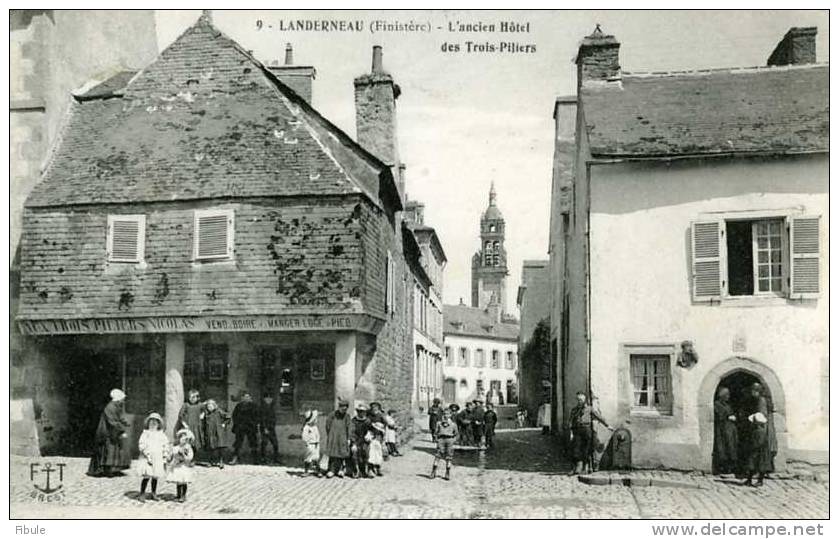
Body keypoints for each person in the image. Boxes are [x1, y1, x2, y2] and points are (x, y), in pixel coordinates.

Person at [87, 389, 132, 477]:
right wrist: (121, 431)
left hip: (113, 432)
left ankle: (115, 469)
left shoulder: (116, 406)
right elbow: (112, 422)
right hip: (107, 432)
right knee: (109, 451)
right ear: (118, 399)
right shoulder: (110, 407)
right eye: (122, 399)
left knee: (116, 450)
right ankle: (106, 470)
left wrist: (125, 422)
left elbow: (119, 417)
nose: (123, 401)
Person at [568, 391, 612, 475]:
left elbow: (599, 417)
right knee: (576, 448)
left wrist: (607, 425)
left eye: (581, 399)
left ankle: (586, 467)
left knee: (587, 449)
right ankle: (577, 467)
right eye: (578, 399)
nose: (579, 401)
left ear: (584, 400)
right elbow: (570, 422)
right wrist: (571, 433)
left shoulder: (589, 409)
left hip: (587, 429)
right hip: (577, 430)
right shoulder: (574, 410)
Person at [743, 383, 776, 487]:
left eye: (753, 391)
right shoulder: (761, 400)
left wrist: (752, 420)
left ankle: (757, 480)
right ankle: (751, 479)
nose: (752, 393)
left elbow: (761, 416)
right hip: (761, 431)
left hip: (760, 431)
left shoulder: (761, 401)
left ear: (757, 391)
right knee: (756, 457)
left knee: (757, 456)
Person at [136, 412, 170, 502]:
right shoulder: (145, 434)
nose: (153, 423)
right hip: (148, 457)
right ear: (148, 423)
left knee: (155, 476)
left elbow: (165, 444)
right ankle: (142, 493)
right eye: (151, 421)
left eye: (156, 422)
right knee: (147, 475)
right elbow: (141, 444)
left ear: (159, 424)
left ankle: (153, 493)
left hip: (158, 457)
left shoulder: (161, 434)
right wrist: (146, 453)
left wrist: (165, 455)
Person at [712, 386, 738, 475]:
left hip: (730, 429)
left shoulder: (727, 405)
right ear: (722, 395)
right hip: (723, 429)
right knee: (723, 447)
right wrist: (728, 417)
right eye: (726, 394)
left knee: (732, 447)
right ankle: (723, 468)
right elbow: (720, 415)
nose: (728, 396)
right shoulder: (717, 404)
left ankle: (730, 467)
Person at [324, 399, 352, 478]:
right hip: (333, 437)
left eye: (345, 408)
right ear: (339, 407)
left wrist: (349, 438)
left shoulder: (347, 416)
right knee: (333, 454)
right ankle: (331, 470)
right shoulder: (332, 415)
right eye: (342, 407)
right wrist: (331, 435)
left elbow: (349, 427)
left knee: (341, 454)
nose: (343, 409)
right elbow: (328, 426)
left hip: (343, 437)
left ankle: (340, 470)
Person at [167, 428, 195, 503]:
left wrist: (184, 455)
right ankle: (178, 494)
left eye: (184, 438)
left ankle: (183, 495)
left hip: (184, 466)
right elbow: (171, 456)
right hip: (177, 466)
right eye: (181, 438)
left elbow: (190, 457)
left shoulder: (188, 448)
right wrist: (169, 457)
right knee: (178, 481)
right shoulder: (176, 448)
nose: (182, 440)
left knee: (184, 481)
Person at [175, 389, 204, 461]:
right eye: (191, 397)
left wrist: (202, 414)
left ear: (197, 397)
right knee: (188, 442)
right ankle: (188, 458)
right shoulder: (186, 405)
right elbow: (181, 415)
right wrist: (184, 424)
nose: (193, 399)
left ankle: (195, 458)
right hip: (189, 426)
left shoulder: (200, 405)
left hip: (197, 426)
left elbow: (204, 411)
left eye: (194, 397)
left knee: (196, 442)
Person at [230, 392, 259, 465]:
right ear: (242, 398)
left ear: (250, 398)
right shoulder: (239, 406)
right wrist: (237, 424)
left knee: (253, 443)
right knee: (238, 443)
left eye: (248, 397)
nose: (246, 398)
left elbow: (258, 416)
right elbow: (234, 416)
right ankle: (235, 458)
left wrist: (254, 423)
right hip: (240, 427)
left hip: (251, 427)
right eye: (244, 397)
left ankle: (255, 459)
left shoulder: (254, 406)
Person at [430, 408, 459, 481]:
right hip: (441, 439)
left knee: (449, 457)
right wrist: (437, 439)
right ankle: (433, 471)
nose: (446, 416)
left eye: (448, 414)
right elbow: (435, 432)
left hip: (449, 440)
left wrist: (453, 440)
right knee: (438, 455)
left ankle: (447, 473)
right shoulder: (439, 423)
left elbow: (456, 434)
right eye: (445, 414)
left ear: (450, 415)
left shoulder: (453, 424)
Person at [201, 399, 230, 468]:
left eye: (211, 406)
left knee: (220, 447)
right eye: (208, 406)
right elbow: (203, 423)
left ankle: (221, 461)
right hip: (210, 433)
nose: (209, 408)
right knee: (210, 448)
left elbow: (228, 417)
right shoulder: (206, 413)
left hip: (218, 432)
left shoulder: (219, 411)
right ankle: (210, 461)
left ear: (214, 406)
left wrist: (224, 424)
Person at [351, 402, 372, 478]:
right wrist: (353, 443)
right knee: (354, 452)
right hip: (356, 441)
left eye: (363, 412)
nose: (361, 413)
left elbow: (371, 430)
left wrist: (369, 434)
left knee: (367, 452)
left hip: (365, 441)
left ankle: (367, 470)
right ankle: (356, 470)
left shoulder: (368, 421)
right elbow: (352, 432)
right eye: (359, 411)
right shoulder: (354, 421)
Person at [258, 393, 279, 464]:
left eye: (270, 398)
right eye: (267, 398)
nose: (269, 400)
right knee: (264, 443)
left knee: (275, 444)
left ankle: (276, 459)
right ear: (264, 399)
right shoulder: (263, 408)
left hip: (271, 428)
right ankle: (263, 459)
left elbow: (273, 418)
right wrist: (265, 428)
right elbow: (262, 419)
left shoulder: (271, 407)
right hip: (265, 428)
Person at [301, 410, 321, 476]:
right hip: (310, 444)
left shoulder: (315, 427)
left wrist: (318, 441)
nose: (316, 420)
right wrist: (307, 442)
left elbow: (317, 435)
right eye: (315, 419)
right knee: (308, 458)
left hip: (316, 444)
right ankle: (306, 471)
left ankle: (318, 470)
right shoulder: (307, 428)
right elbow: (304, 436)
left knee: (316, 457)